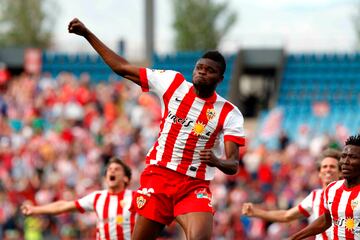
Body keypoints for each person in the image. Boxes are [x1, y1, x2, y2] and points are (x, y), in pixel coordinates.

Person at [68, 18, 245, 240]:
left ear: (219, 79)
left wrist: (217, 161)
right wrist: (87, 33)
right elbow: (121, 68)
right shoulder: (173, 82)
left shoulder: (229, 112)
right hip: (158, 177)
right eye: (199, 68)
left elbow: (233, 164)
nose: (202, 72)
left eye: (209, 71)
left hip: (193, 185)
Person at [21, 157, 136, 240]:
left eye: (117, 169)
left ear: (126, 178)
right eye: (109, 169)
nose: (112, 171)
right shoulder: (97, 197)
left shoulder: (135, 197)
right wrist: (36, 210)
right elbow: (64, 206)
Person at [241, 148, 341, 239]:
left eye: (332, 167)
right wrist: (256, 212)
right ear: (319, 173)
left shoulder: (346, 195)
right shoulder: (315, 196)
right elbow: (286, 215)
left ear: (340, 173)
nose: (328, 169)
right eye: (324, 167)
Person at [290, 134, 360, 240]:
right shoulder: (332, 189)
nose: (345, 162)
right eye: (344, 156)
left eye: (353, 157)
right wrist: (294, 238)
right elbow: (325, 221)